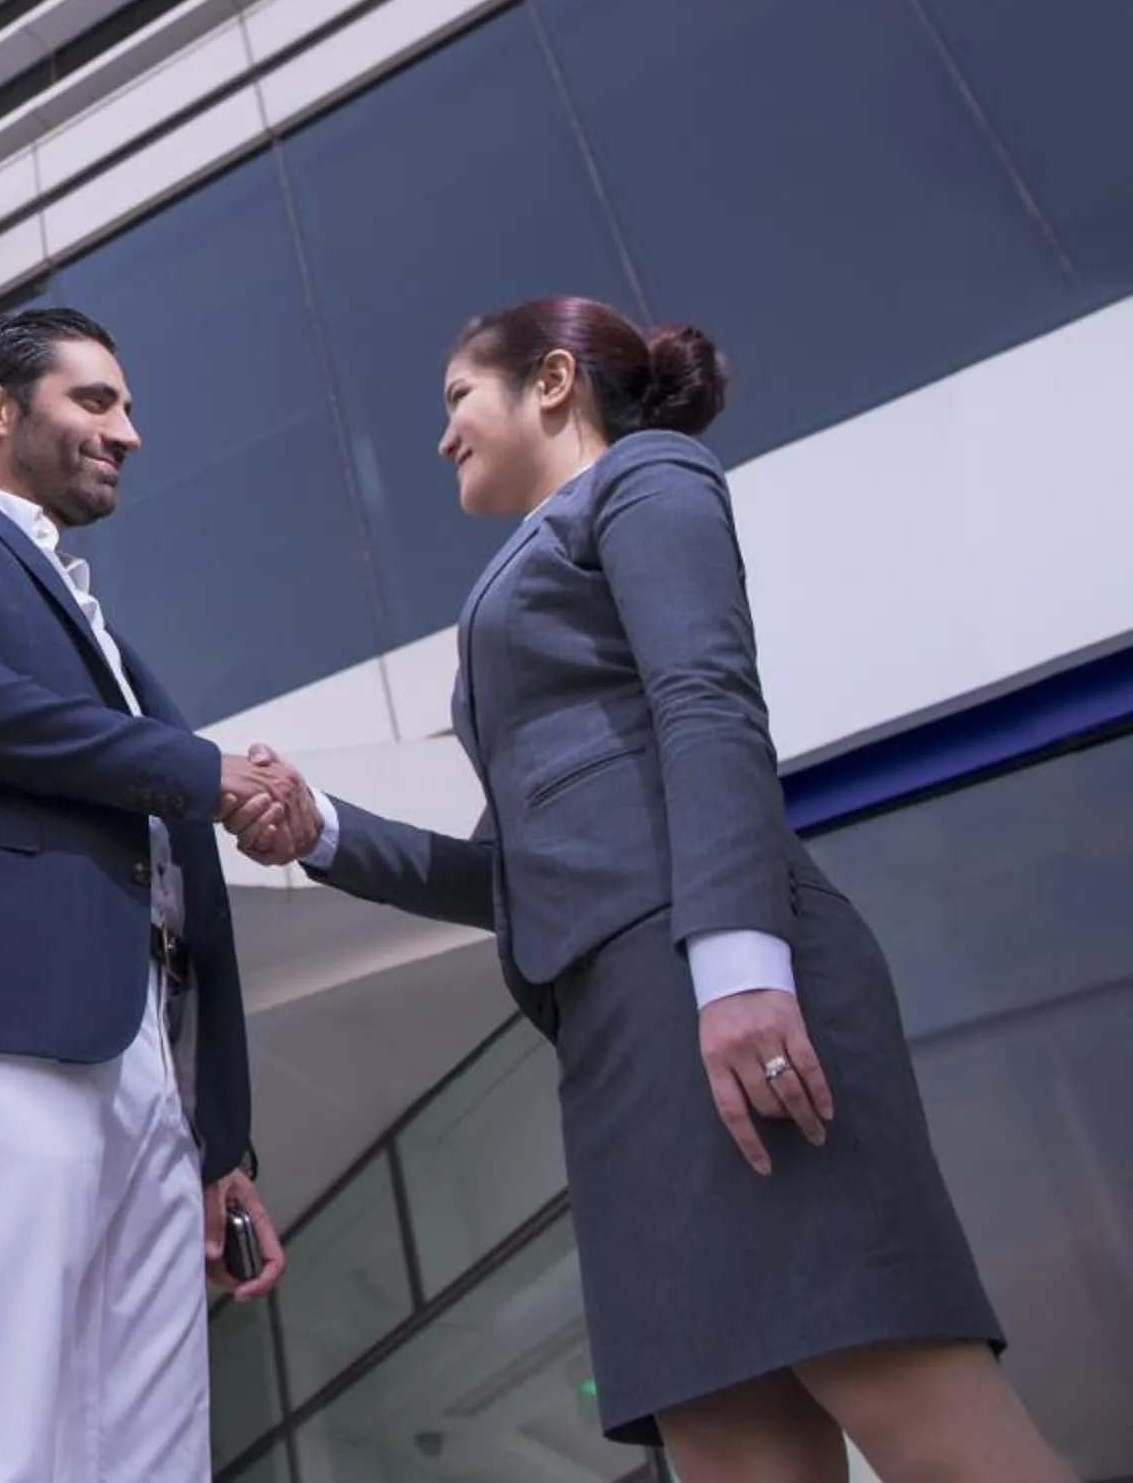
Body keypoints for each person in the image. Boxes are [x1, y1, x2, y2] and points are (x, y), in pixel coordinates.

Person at [233, 296, 1070, 1480]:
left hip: (716, 984)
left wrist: (737, 965)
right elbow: (518, 869)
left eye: (457, 397)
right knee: (726, 1438)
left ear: (555, 382)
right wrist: (320, 831)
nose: (442, 435)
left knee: (910, 1403)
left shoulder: (650, 479)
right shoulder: (513, 586)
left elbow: (707, 698)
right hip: (619, 1040)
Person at [0, 307, 312, 1483]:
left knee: (152, 1454)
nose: (126, 431)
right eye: (96, 401)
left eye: (125, 407)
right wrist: (200, 766)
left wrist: (220, 1141)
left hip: (148, 1081)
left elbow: (176, 887)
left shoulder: (121, 652)